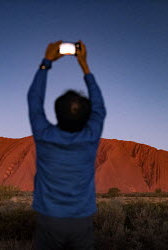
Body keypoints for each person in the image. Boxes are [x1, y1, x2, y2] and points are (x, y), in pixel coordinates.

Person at [27, 40, 106, 250]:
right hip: (81, 220)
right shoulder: (91, 137)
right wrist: (84, 64)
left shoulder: (44, 135)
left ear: (56, 114)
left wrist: (46, 62)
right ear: (87, 117)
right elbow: (100, 108)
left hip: (49, 220)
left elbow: (34, 101)